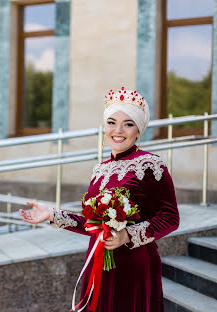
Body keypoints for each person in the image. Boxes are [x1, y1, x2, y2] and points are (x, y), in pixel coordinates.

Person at [20, 87, 179, 312]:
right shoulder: (100, 170)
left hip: (133, 265)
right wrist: (53, 214)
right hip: (98, 264)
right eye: (112, 122)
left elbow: (170, 217)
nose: (118, 130)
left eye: (128, 124)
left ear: (138, 130)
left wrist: (127, 235)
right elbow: (92, 224)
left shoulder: (150, 165)